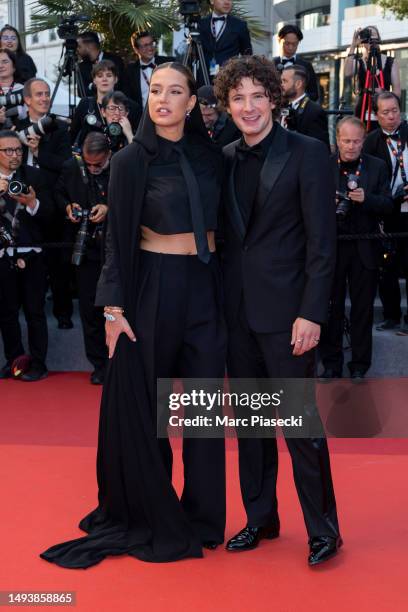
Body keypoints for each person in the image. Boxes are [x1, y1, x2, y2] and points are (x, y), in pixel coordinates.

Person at [40, 62, 226, 567]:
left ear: (193, 102)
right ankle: (154, 508)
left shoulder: (213, 157)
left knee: (207, 410)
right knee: (153, 412)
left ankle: (207, 518)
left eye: (176, 91)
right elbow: (116, 241)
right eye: (156, 90)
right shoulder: (129, 162)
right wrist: (113, 308)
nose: (163, 99)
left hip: (207, 291)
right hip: (154, 287)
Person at [213, 55, 341, 565]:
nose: (248, 107)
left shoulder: (309, 153)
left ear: (274, 98)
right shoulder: (222, 157)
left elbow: (322, 244)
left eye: (257, 96)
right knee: (250, 428)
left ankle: (324, 529)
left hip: (290, 316)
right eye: (237, 98)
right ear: (227, 105)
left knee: (301, 429)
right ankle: (260, 518)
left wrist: (312, 312)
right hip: (236, 314)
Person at [319, 117, 392, 379]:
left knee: (362, 310)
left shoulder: (377, 166)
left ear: (364, 141)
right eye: (346, 140)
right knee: (331, 309)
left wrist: (367, 199)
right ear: (337, 140)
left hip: (365, 248)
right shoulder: (322, 167)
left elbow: (388, 204)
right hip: (332, 248)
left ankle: (360, 366)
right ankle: (331, 364)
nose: (351, 146)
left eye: (356, 141)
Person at [15, 77, 73, 330]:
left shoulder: (59, 130)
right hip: (21, 202)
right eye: (39, 94)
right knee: (24, 259)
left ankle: (63, 312)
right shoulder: (14, 128)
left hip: (51, 202)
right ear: (27, 99)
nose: (44, 98)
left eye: (47, 94)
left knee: (58, 261)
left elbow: (65, 165)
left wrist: (39, 153)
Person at [56, 133, 110, 385]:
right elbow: (58, 194)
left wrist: (109, 208)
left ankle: (119, 363)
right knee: (89, 310)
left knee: (119, 308)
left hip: (114, 250)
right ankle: (99, 364)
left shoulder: (121, 166)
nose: (92, 169)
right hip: (84, 249)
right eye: (87, 164)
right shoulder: (71, 167)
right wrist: (68, 207)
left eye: (97, 165)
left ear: (108, 155)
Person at [0, 130, 52, 381]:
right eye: (8, 151)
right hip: (2, 254)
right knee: (7, 312)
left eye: (18, 150)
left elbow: (51, 215)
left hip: (32, 253)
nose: (14, 155)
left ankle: (39, 364)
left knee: (35, 311)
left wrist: (32, 203)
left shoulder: (34, 176)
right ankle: (15, 361)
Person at [363, 91, 408, 333]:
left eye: (395, 111)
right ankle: (391, 316)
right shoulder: (370, 142)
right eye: (385, 113)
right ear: (375, 115)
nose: (392, 117)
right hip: (387, 212)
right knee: (387, 267)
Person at [70, 60, 141, 149]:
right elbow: (72, 135)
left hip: (122, 158)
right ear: (94, 80)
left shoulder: (132, 106)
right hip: (91, 158)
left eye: (109, 75)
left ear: (116, 79)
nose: (104, 79)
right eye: (100, 76)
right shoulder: (85, 104)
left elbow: (139, 140)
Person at [344, 26, 401, 128]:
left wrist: (384, 94)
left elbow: (397, 92)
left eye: (373, 34)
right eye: (368, 35)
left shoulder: (390, 62)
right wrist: (353, 44)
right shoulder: (359, 62)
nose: (371, 39)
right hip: (362, 112)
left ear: (378, 38)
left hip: (384, 112)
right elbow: (347, 73)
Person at [199, 0, 252, 81]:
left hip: (230, 79)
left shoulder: (240, 25)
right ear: (212, 1)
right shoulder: (201, 24)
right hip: (204, 79)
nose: (227, 2)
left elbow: (247, 55)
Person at [280, 65, 330, 150]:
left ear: (298, 84)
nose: (281, 85)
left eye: (284, 81)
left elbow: (320, 148)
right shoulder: (283, 106)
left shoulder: (314, 111)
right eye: (281, 81)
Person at [124, 31, 170, 110]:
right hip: (141, 119)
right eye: (145, 45)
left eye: (151, 43)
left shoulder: (168, 64)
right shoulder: (129, 71)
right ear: (136, 49)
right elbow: (128, 99)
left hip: (166, 113)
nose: (150, 48)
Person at [273, 25, 319, 102]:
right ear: (279, 40)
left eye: (294, 44)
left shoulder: (306, 66)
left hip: (300, 112)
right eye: (287, 43)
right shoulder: (270, 65)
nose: (290, 48)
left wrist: (299, 101)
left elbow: (314, 94)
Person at [77, 31, 124, 97]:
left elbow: (119, 86)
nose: (77, 50)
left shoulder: (115, 60)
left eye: (79, 46)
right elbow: (81, 92)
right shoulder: (81, 67)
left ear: (89, 46)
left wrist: (91, 86)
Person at [0, 49, 25, 129]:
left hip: (18, 136)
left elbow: (30, 119)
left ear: (14, 66)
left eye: (5, 62)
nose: (0, 66)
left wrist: (6, 121)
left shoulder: (25, 90)